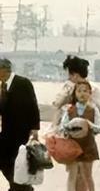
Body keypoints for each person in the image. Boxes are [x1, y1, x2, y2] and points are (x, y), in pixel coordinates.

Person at [0, 58, 40, 191]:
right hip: (6, 132)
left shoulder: (23, 83)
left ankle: (20, 188)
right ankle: (19, 187)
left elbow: (33, 105)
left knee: (19, 163)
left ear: (4, 70)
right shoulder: (3, 86)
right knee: (5, 161)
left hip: (22, 132)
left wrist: (35, 128)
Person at [60, 80, 100, 191]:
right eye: (79, 91)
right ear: (75, 93)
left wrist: (89, 124)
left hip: (88, 146)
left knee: (87, 175)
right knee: (72, 175)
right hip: (72, 146)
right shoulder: (69, 110)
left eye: (85, 91)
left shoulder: (93, 110)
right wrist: (71, 125)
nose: (82, 94)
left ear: (90, 93)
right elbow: (62, 127)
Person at [51, 56, 100, 132]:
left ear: (75, 75)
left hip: (74, 129)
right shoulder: (94, 88)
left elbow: (57, 104)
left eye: (69, 74)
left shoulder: (71, 88)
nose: (68, 77)